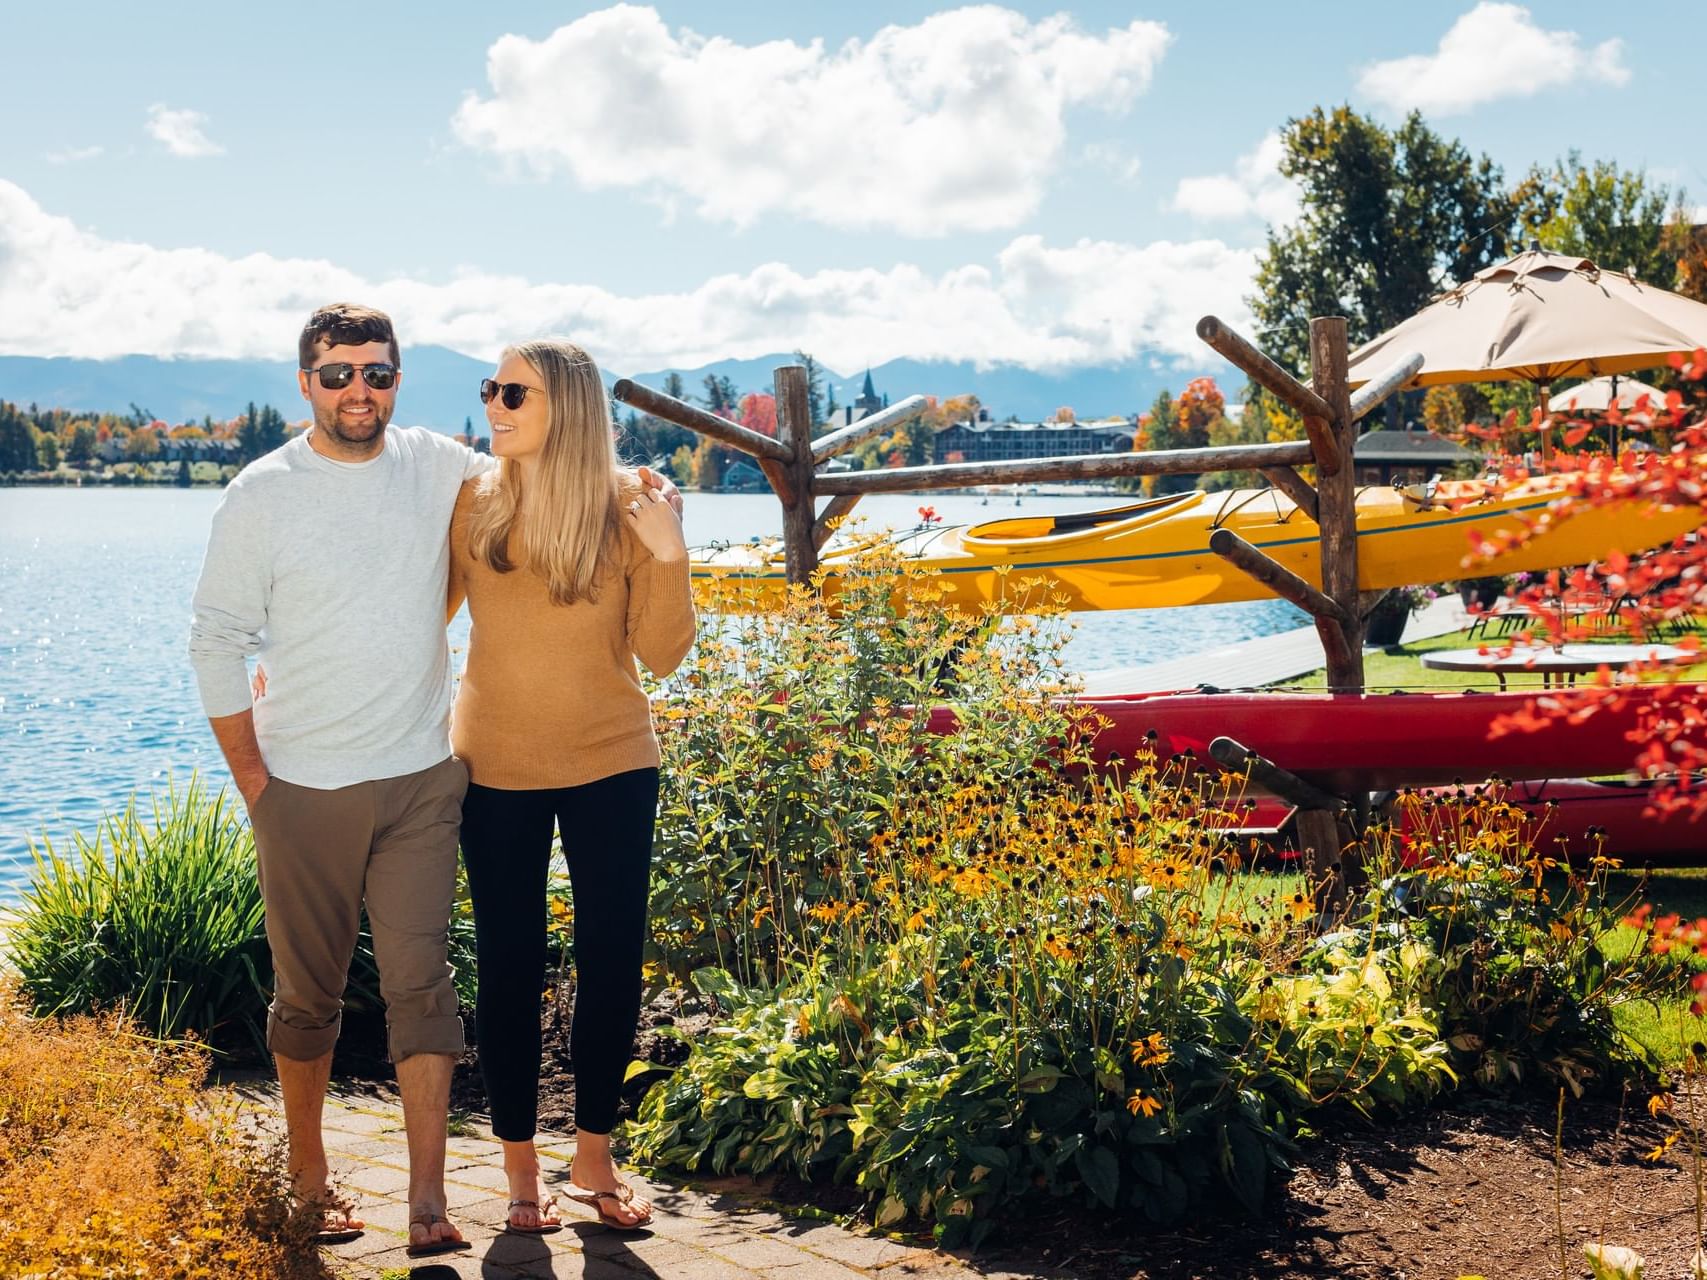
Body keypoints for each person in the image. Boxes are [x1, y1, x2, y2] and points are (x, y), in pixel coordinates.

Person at [188, 304, 678, 1255]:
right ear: (307, 383)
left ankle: (512, 1180)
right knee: (403, 981)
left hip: (517, 768)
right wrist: (270, 742)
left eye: (376, 372)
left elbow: (641, 631)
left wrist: (659, 530)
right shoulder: (345, 494)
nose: (357, 391)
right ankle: (415, 1175)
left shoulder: (538, 490)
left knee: (519, 971)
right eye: (336, 375)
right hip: (394, 772)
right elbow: (273, 626)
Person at [448, 339, 693, 1234]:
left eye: (513, 391)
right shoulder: (473, 502)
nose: (494, 404)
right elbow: (417, 616)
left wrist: (669, 552)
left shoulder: (630, 506)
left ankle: (593, 1155)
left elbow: (663, 654)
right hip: (494, 767)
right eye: (490, 388)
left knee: (610, 963)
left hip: (613, 763)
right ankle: (518, 1172)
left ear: (569, 408)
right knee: (508, 967)